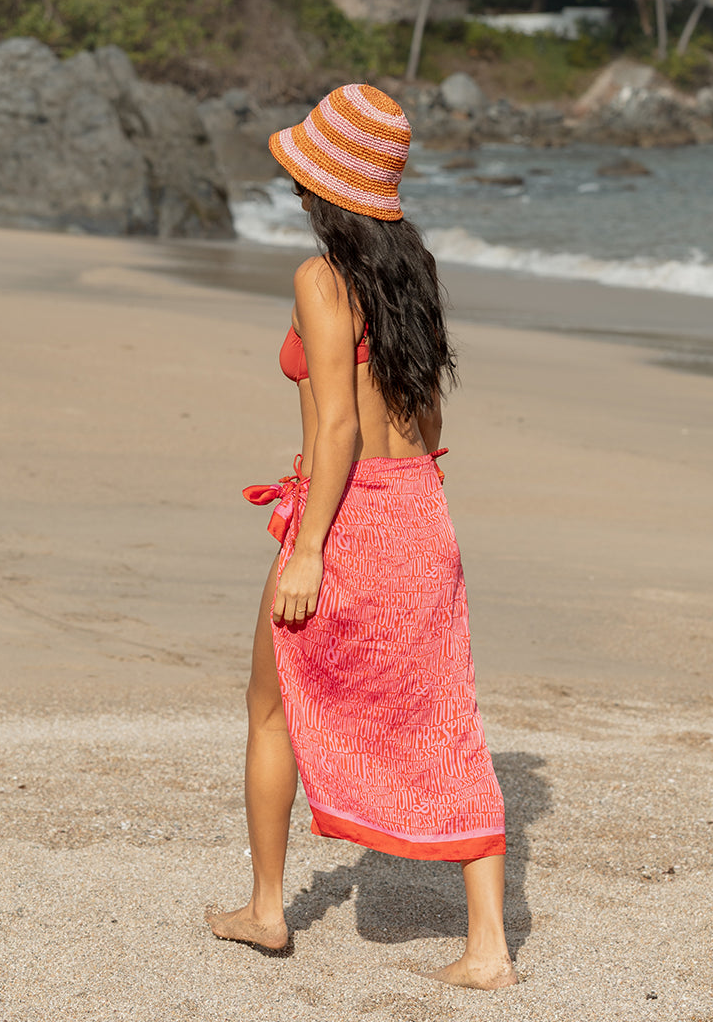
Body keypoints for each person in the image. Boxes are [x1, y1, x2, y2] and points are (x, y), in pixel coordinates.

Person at [206, 84, 516, 990]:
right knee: (446, 715)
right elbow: (419, 408)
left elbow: (337, 427)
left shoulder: (319, 279)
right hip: (420, 507)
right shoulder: (412, 268)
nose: (292, 190)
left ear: (322, 188)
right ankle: (490, 947)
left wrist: (308, 549)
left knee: (270, 707)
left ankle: (268, 910)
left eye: (301, 176)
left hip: (343, 516)